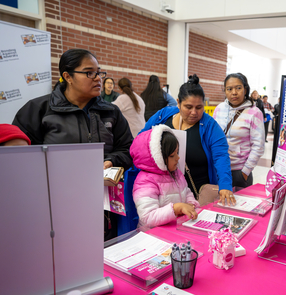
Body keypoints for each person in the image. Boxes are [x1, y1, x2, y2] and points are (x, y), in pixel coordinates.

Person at [12, 48, 134, 241]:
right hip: (53, 210)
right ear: (67, 76)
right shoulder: (38, 110)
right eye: (89, 73)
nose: (98, 78)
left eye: (99, 72)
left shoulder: (111, 112)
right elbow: (18, 161)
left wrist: (111, 160)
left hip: (102, 210)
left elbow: (128, 149)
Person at [140, 74, 235, 206]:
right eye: (188, 107)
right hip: (163, 194)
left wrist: (225, 185)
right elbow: (141, 142)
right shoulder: (163, 116)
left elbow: (221, 156)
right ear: (178, 102)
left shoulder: (210, 126)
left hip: (197, 194)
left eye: (199, 107)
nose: (194, 112)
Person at [131, 124, 199, 230]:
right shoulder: (145, 182)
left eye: (177, 152)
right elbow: (147, 217)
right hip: (154, 235)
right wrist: (177, 208)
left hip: (175, 228)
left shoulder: (176, 173)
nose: (178, 157)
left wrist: (191, 204)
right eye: (172, 155)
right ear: (158, 158)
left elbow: (187, 192)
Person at [213, 73, 265, 188]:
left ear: (245, 90)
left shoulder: (255, 113)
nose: (234, 92)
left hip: (239, 171)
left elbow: (258, 145)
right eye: (229, 89)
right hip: (219, 169)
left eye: (238, 88)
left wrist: (245, 172)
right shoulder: (219, 109)